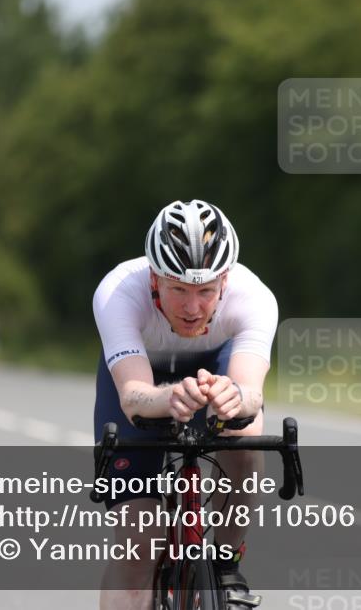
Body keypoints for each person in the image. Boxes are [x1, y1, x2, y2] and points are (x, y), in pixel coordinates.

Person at [92, 200, 277, 610]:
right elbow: (133, 396)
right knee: (139, 543)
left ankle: (228, 564)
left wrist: (233, 398)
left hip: (215, 367)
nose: (192, 308)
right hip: (143, 379)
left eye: (206, 291)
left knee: (245, 432)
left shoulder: (255, 297)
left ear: (225, 282)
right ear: (154, 278)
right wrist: (169, 396)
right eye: (178, 289)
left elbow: (251, 391)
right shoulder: (119, 290)